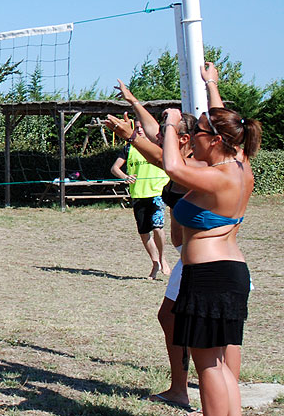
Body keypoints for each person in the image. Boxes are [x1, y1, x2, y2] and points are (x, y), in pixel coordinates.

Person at [106, 83, 203, 410]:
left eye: (168, 132)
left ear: (185, 139)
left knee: (190, 325)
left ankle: (197, 387)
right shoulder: (179, 156)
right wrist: (133, 100)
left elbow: (160, 153)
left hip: (200, 260)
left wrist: (131, 137)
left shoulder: (187, 166)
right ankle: (183, 386)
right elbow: (155, 135)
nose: (159, 136)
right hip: (187, 258)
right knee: (170, 318)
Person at [159, 102, 260, 416]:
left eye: (198, 133)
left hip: (208, 276)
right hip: (228, 273)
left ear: (216, 140)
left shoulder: (221, 176)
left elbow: (174, 168)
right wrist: (210, 83)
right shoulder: (239, 165)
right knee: (217, 362)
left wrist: (174, 125)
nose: (193, 139)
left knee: (208, 366)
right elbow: (224, 121)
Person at [110, 119, 170, 280]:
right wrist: (125, 177)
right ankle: (155, 262)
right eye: (136, 128)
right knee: (144, 232)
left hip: (157, 193)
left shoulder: (158, 145)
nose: (140, 130)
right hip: (138, 195)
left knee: (157, 227)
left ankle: (163, 258)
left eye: (142, 127)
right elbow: (115, 168)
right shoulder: (129, 147)